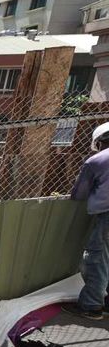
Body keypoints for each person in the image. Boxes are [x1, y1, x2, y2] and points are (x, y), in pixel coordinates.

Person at [66, 122, 109, 320]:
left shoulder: (96, 161)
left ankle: (92, 306)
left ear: (100, 142)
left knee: (96, 259)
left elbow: (79, 193)